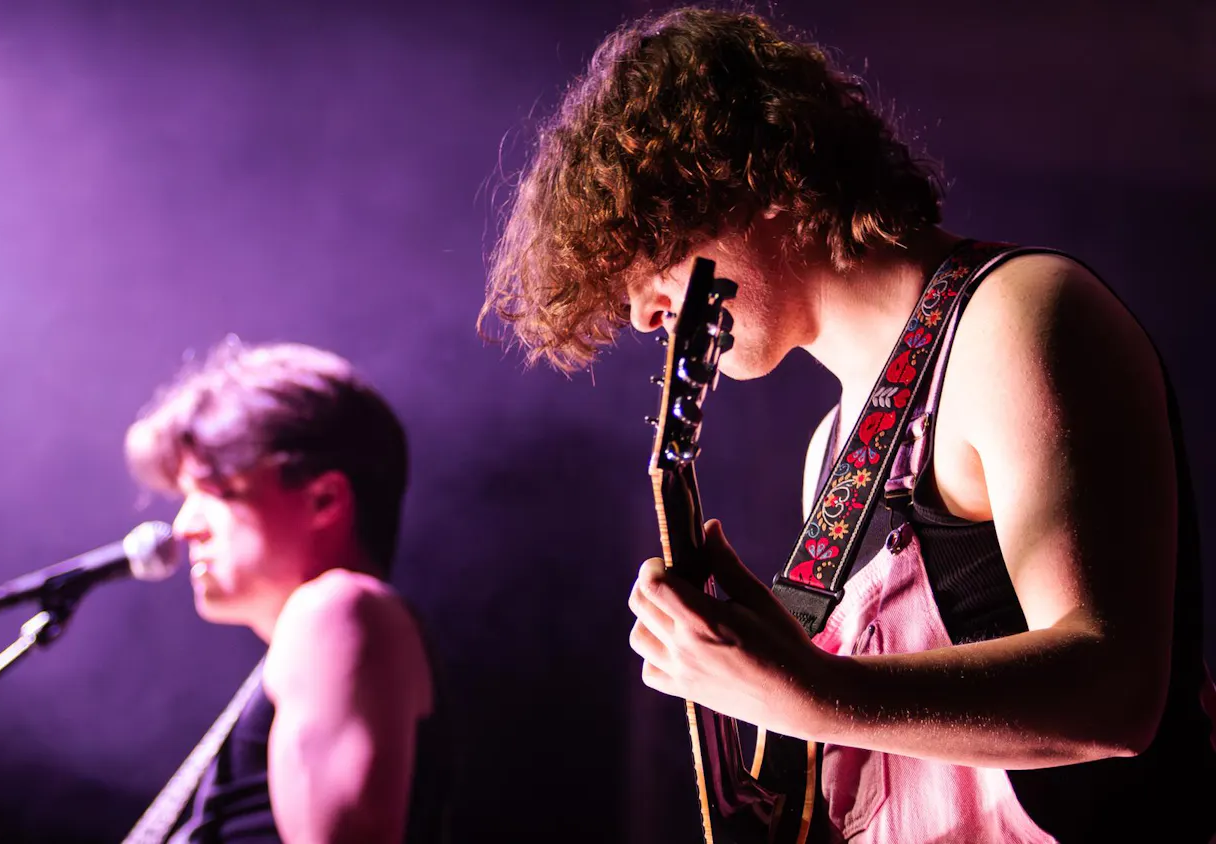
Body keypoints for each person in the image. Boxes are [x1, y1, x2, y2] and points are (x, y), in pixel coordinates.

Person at [481, 7, 1216, 842]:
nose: (646, 311)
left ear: (747, 173)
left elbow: (1117, 693)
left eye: (653, 257)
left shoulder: (1021, 316)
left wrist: (808, 694)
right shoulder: (830, 449)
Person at [122, 340, 450, 844]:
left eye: (213, 493)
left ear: (323, 499)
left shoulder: (336, 608)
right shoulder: (319, 640)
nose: (185, 527)